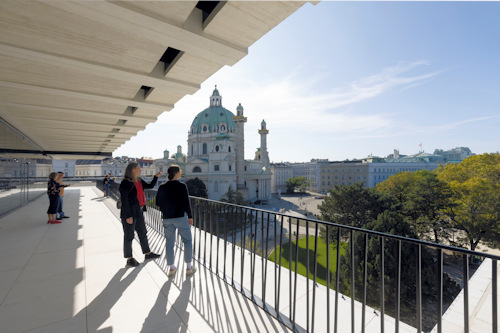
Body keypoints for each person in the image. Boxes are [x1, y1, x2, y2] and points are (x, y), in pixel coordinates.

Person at [156, 165, 196, 277]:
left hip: (167, 218)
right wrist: (190, 216)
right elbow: (186, 202)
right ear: (176, 173)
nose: (181, 172)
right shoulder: (182, 186)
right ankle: (188, 267)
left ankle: (172, 268)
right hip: (180, 217)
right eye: (180, 171)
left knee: (169, 243)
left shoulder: (162, 187)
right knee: (187, 241)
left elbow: (158, 203)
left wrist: (167, 210)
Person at [119, 162, 162, 267]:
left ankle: (147, 253)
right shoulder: (125, 183)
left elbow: (149, 186)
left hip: (139, 211)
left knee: (143, 233)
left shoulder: (138, 180)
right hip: (130, 213)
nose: (140, 169)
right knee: (129, 236)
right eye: (139, 168)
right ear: (133, 169)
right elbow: (124, 201)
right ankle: (129, 259)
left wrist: (155, 177)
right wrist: (128, 216)